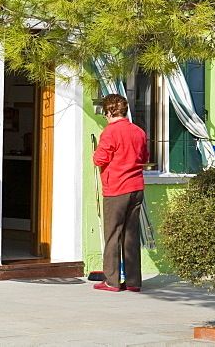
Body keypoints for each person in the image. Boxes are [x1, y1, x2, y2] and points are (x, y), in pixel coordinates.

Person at [93, 93, 149, 292]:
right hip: (136, 188)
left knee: (113, 234)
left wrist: (95, 153)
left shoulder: (110, 132)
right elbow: (144, 156)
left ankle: (112, 280)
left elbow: (100, 159)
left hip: (117, 188)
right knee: (131, 234)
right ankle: (133, 281)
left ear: (109, 111)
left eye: (105, 113)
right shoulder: (139, 131)